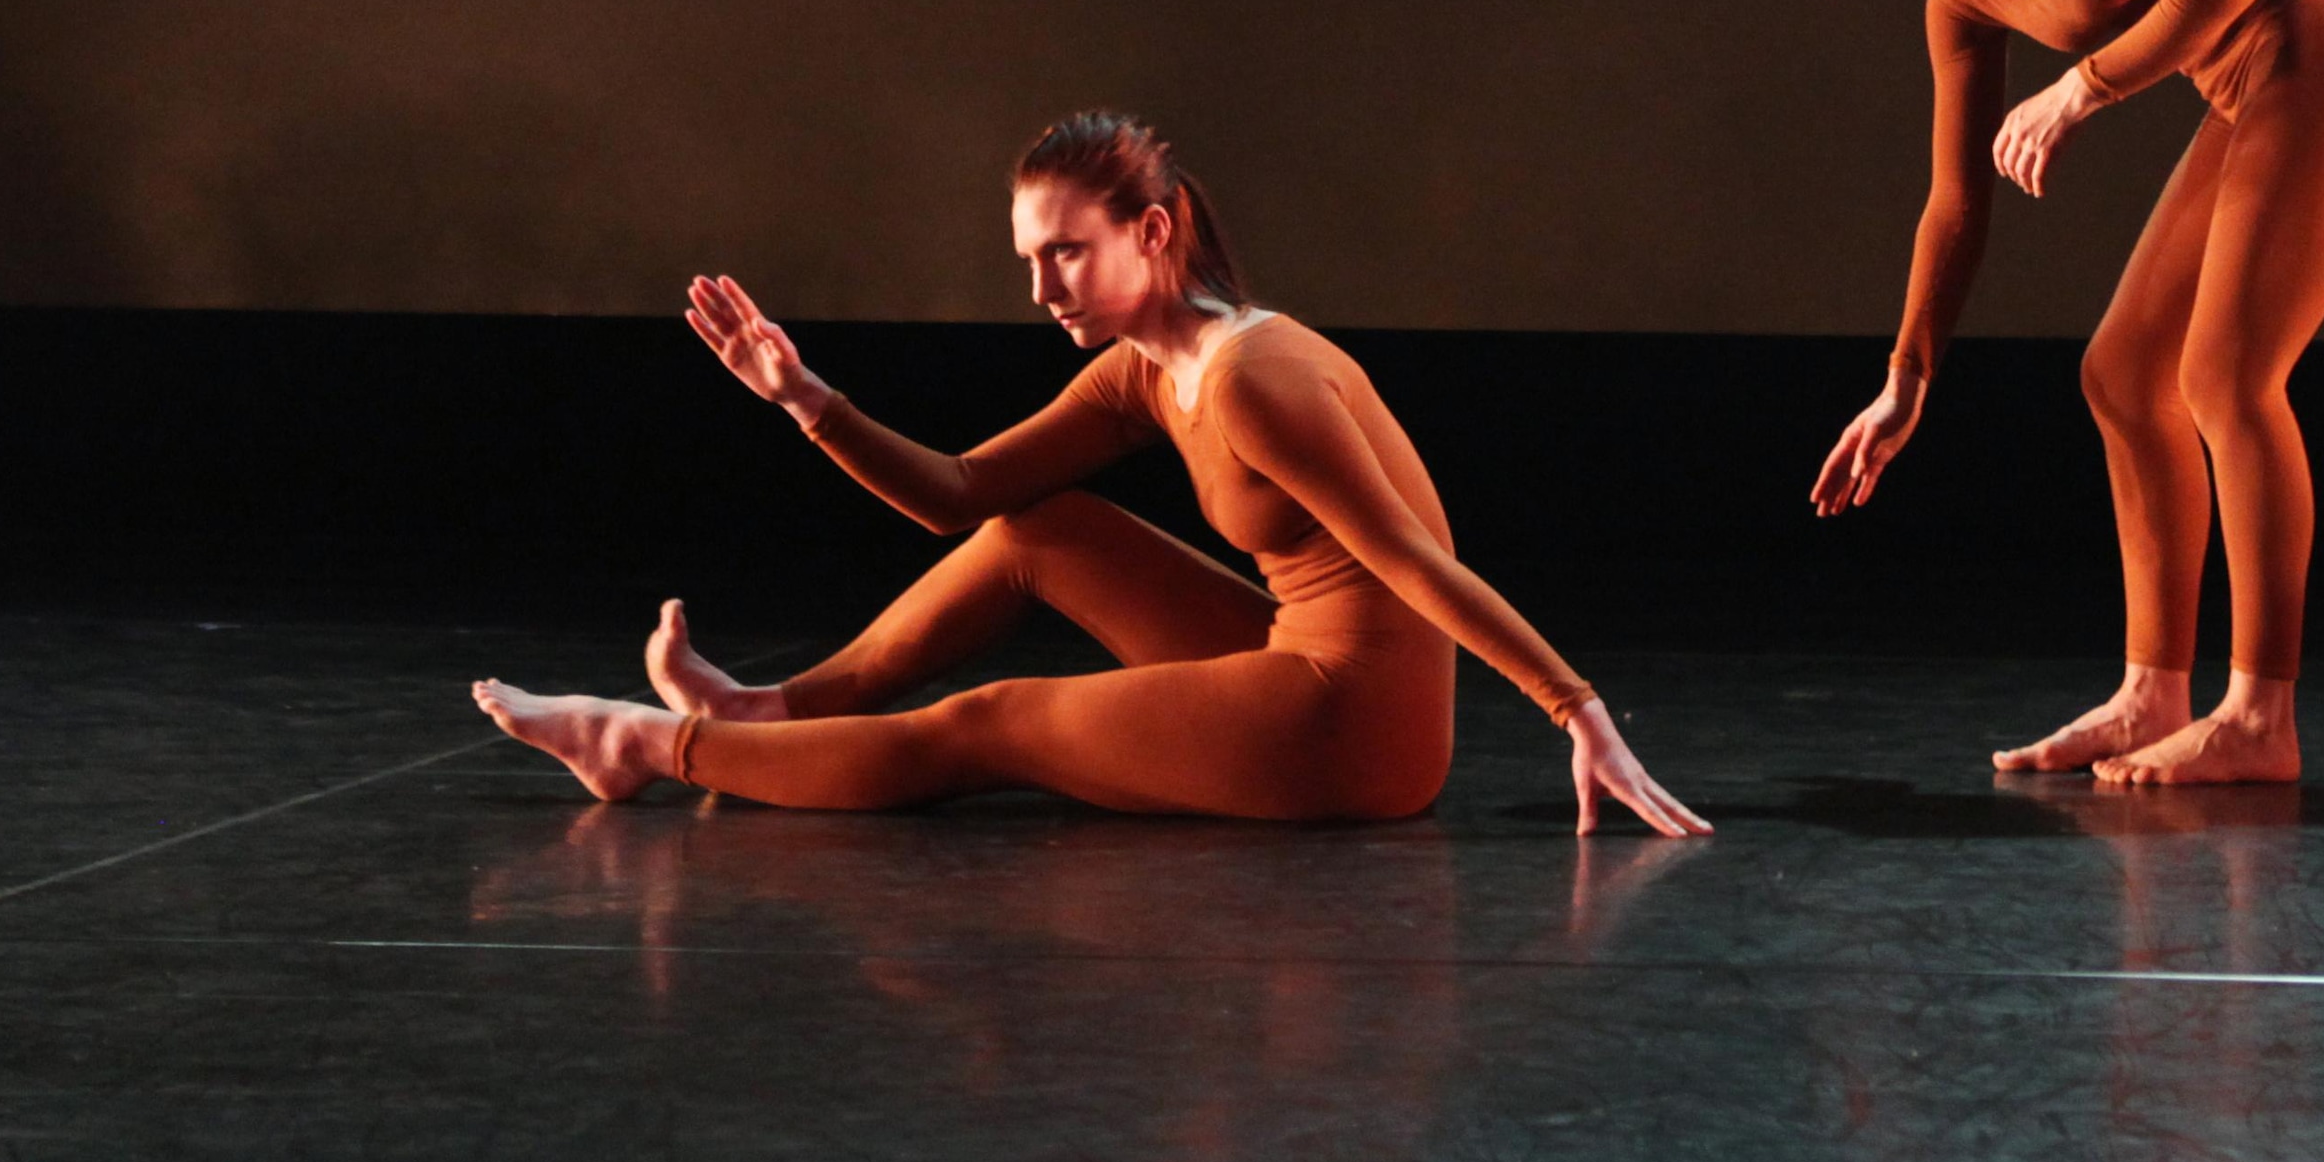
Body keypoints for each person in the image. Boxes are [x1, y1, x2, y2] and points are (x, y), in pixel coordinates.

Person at [472, 110, 1708, 838]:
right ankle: (764, 712)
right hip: (1297, 655)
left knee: (994, 721)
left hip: (1355, 733)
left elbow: (1414, 564)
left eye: (1066, 253)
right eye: (1029, 256)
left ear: (1153, 233)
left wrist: (1575, 709)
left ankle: (640, 745)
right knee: (1037, 530)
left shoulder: (1249, 380)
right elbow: (964, 494)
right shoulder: (1143, 367)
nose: (1040, 287)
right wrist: (804, 399)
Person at [1729, 0, 2324, 787]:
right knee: (2123, 376)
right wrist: (1906, 379)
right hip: (2249, 89)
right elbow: (1954, 202)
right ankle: (2153, 690)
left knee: (2227, 380)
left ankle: (2259, 716)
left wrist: (2081, 88)